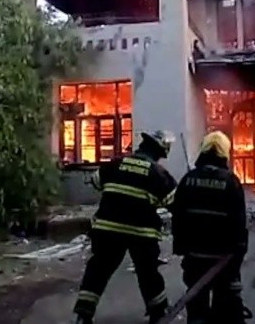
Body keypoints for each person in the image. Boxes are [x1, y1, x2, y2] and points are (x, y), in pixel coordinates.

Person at [72, 130, 178, 324]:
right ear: (159, 153)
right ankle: (158, 312)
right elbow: (174, 203)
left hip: (107, 228)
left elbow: (95, 182)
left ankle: (83, 314)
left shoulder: (116, 163)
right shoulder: (158, 173)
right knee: (148, 273)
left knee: (98, 270)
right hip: (141, 233)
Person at [171, 131, 249, 324]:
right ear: (225, 153)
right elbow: (239, 224)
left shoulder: (187, 180)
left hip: (195, 258)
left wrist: (181, 249)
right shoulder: (231, 182)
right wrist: (238, 255)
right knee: (226, 309)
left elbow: (178, 218)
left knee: (197, 308)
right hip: (223, 260)